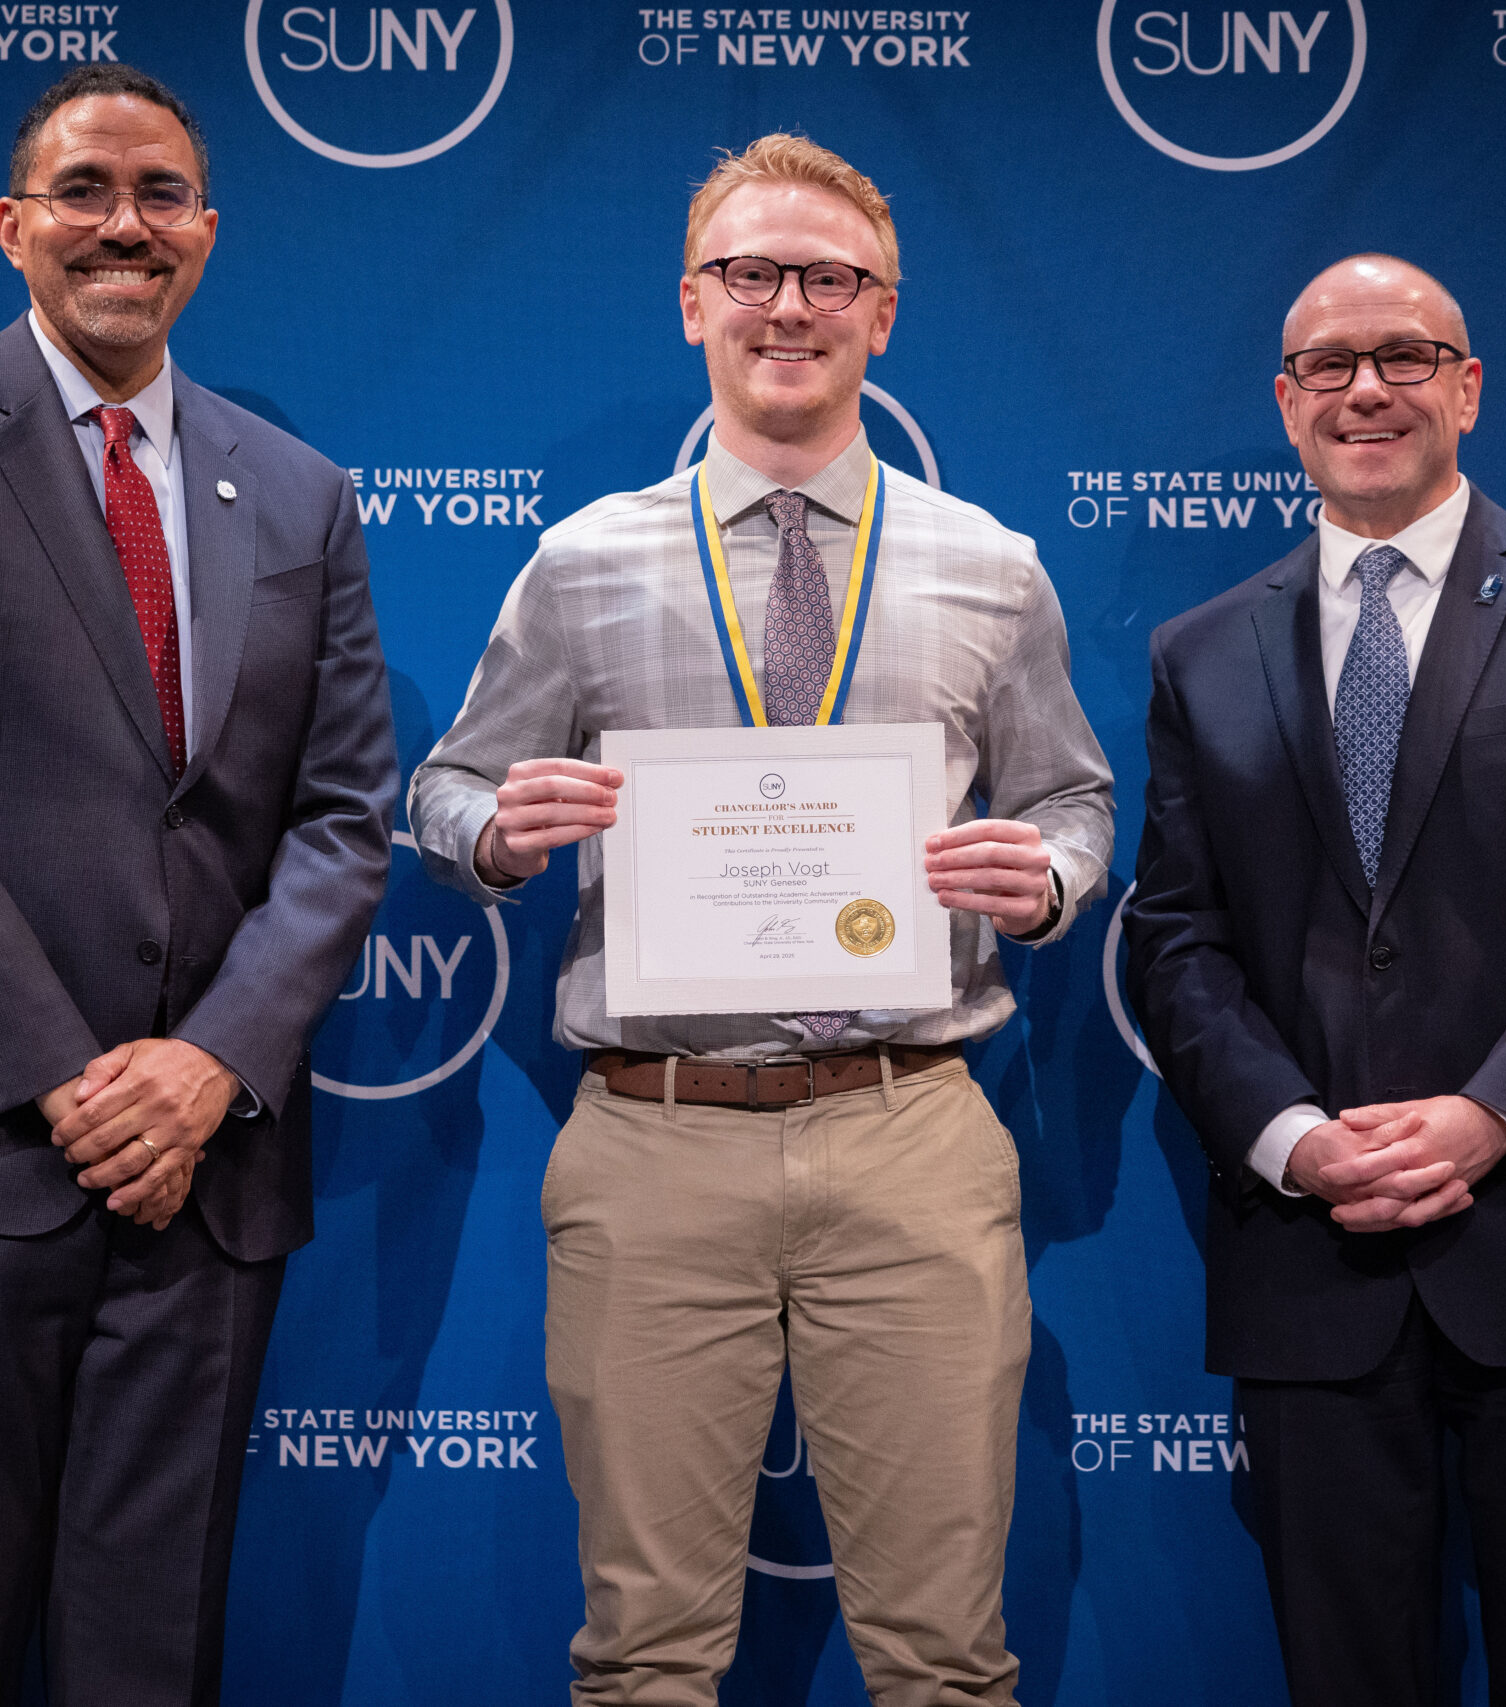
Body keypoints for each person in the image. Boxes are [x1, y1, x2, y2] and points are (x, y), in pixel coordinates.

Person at [407, 134, 1113, 1707]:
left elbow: (1077, 804)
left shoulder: (990, 566)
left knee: (946, 1659)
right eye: (749, 273)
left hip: (910, 1127)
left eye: (828, 277)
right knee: (644, 1659)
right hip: (656, 1135)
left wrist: (1049, 879)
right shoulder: (582, 561)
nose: (786, 304)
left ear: (883, 314)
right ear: (690, 305)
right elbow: (445, 790)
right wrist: (500, 836)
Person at [0, 64, 395, 1706]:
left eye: (163, 195)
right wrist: (67, 1082)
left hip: (206, 1169)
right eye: (88, 190)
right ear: (15, 226)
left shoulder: (302, 493)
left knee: (151, 1663)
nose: (128, 225)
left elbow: (342, 820)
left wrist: (208, 1070)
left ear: (207, 229)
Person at [1125, 254, 1506, 1706]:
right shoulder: (1200, 652)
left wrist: (1489, 1116)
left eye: (1405, 354)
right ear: (1286, 402)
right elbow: (1175, 938)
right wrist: (1295, 1142)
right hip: (1309, 1258)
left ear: (1467, 387)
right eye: (1329, 364)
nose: (1366, 387)